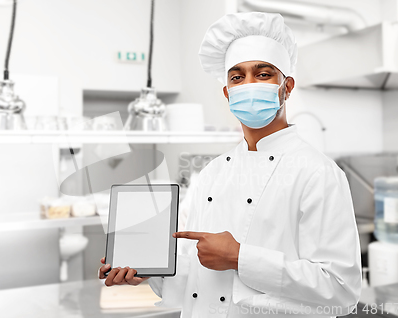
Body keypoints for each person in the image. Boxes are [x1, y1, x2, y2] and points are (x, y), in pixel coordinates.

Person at [99, 11, 362, 317]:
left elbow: (341, 290)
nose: (249, 84)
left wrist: (241, 258)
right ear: (227, 93)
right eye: (237, 77)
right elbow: (199, 276)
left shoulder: (318, 173)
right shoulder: (212, 174)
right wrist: (149, 271)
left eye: (263, 74)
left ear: (287, 87)